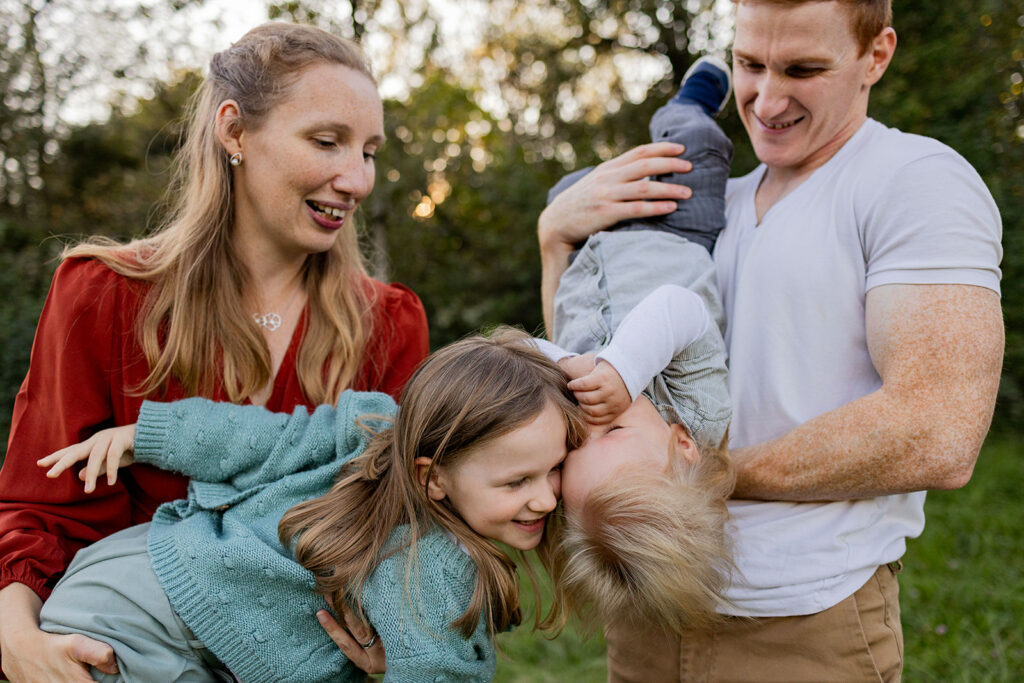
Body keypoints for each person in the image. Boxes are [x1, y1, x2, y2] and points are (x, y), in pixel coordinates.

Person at [539, 1, 1004, 680]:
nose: (766, 98)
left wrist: (703, 475)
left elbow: (938, 430)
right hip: (648, 603)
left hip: (804, 622)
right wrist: (555, 243)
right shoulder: (701, 205)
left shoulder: (915, 181)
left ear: (876, 55)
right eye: (749, 64)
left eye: (802, 69)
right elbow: (592, 375)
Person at [0, 22, 429, 682]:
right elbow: (41, 510)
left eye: (368, 152)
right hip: (127, 648)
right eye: (327, 142)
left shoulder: (390, 324)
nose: (358, 179)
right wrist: (17, 639)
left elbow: (406, 530)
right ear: (234, 132)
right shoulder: (102, 294)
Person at [35, 329, 586, 682]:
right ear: (434, 477)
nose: (545, 497)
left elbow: (257, 437)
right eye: (517, 482)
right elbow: (439, 675)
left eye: (554, 468)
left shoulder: (376, 427)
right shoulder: (434, 558)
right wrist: (142, 436)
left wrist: (146, 435)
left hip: (130, 572)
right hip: (146, 632)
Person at [534, 57, 737, 633]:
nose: (589, 414)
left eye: (575, 444)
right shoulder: (701, 408)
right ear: (681, 446)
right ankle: (693, 99)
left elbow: (531, 351)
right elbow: (677, 307)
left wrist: (551, 362)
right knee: (695, 142)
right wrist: (622, 370)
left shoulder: (583, 406)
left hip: (590, 249)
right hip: (675, 226)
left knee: (566, 191)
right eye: (615, 428)